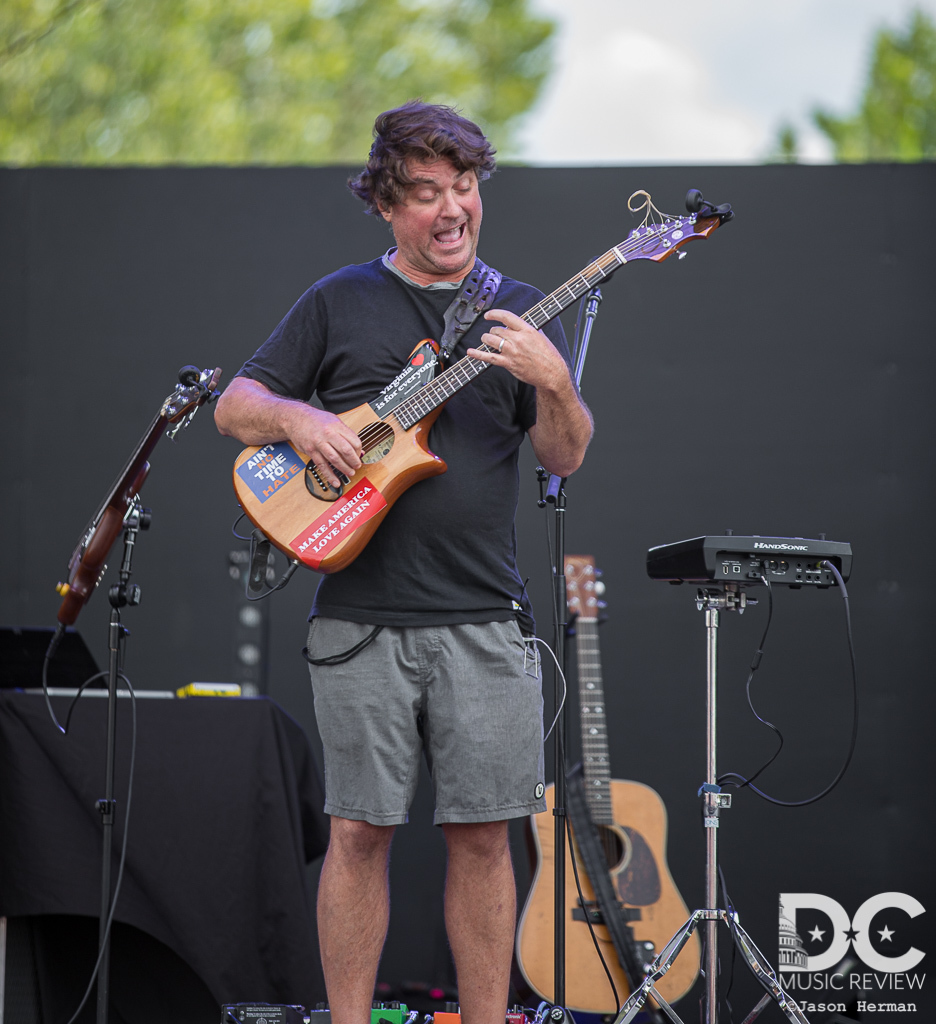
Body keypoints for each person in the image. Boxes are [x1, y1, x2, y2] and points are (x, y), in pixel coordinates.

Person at [214, 101, 593, 1024]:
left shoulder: (519, 311)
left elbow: (566, 454)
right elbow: (235, 404)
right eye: (427, 193)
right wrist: (302, 420)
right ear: (387, 205)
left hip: (484, 623)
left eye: (464, 187)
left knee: (483, 842)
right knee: (357, 836)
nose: (452, 209)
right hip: (360, 623)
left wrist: (554, 381)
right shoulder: (340, 298)